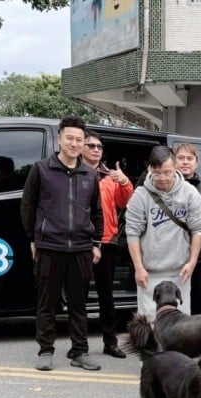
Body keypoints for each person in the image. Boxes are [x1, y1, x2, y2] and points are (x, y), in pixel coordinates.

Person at [20, 115, 103, 372]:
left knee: (79, 304)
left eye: (80, 139)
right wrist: (33, 238)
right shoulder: (42, 169)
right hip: (49, 247)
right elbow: (28, 205)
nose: (75, 143)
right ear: (59, 139)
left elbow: (97, 211)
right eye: (70, 138)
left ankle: (79, 351)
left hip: (80, 248)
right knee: (47, 302)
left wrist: (96, 241)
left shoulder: (90, 174)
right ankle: (46, 350)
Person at [124, 145, 201, 322]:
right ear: (150, 169)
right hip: (149, 272)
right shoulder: (140, 195)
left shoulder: (190, 193)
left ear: (175, 167)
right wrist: (138, 267)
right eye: (157, 173)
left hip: (180, 271)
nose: (162, 178)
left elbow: (198, 230)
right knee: (151, 324)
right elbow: (132, 233)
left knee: (181, 324)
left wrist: (192, 262)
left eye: (167, 172)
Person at [80, 130, 134, 358]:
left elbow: (125, 202)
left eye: (98, 147)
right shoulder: (73, 173)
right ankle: (79, 345)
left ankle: (110, 343)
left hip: (106, 242)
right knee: (78, 296)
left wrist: (125, 182)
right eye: (90, 145)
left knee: (106, 296)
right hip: (80, 242)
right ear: (81, 148)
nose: (95, 150)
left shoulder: (109, 175)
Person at [173, 142, 201, 314]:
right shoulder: (167, 187)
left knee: (196, 304)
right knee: (174, 304)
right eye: (181, 158)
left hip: (199, 258)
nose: (185, 162)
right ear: (174, 161)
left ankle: (195, 341)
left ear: (196, 162)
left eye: (189, 158)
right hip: (172, 258)